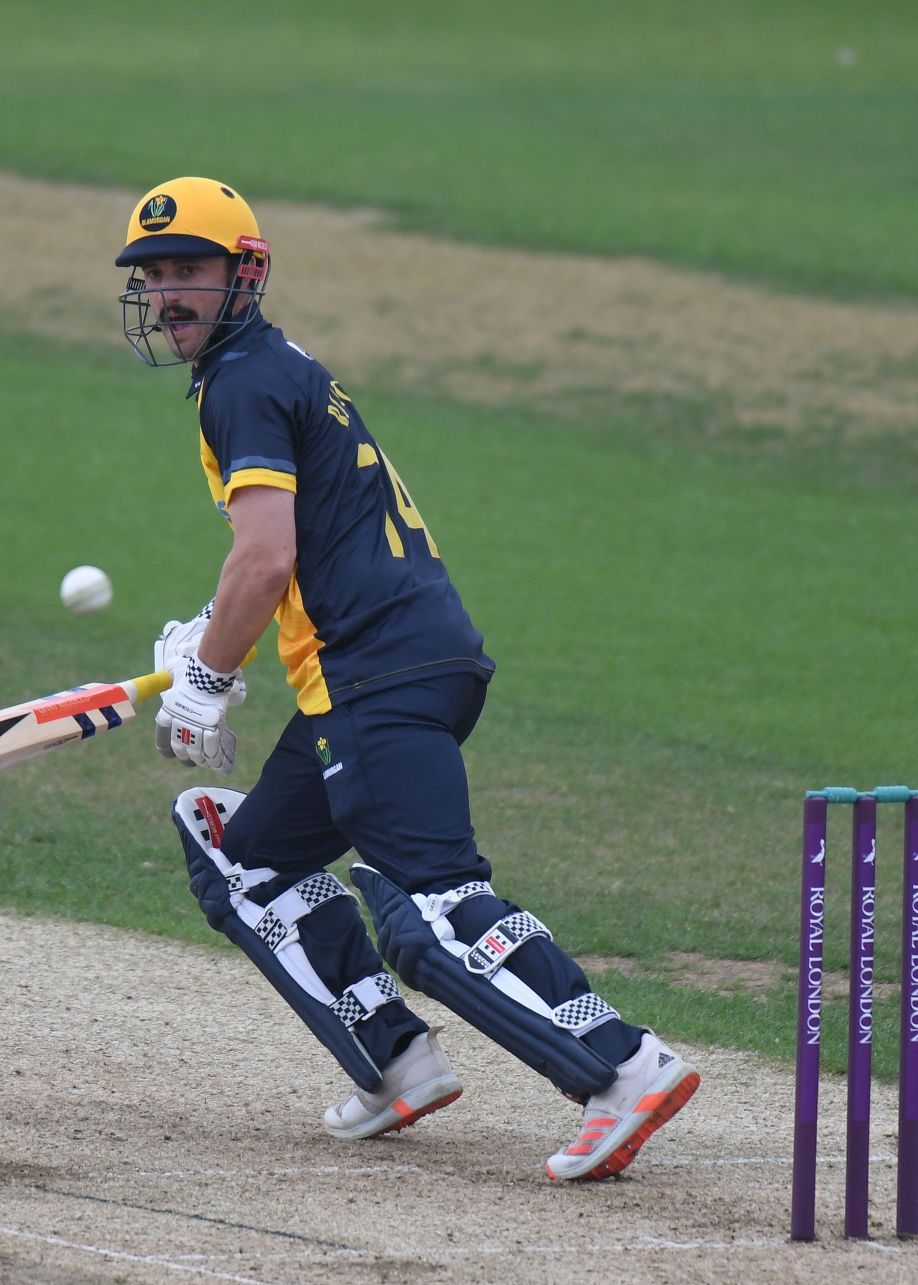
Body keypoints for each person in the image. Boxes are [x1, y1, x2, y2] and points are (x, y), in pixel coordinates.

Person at [114, 176, 699, 1179]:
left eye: (189, 273)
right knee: (241, 856)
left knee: (426, 908)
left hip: (376, 673)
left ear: (242, 276)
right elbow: (308, 547)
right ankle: (394, 1059)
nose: (169, 294)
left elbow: (266, 558)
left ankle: (622, 1065)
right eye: (154, 275)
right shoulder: (273, 366)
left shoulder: (241, 382)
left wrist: (208, 677)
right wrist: (211, 636)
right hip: (392, 660)